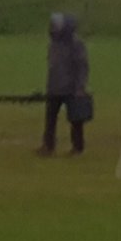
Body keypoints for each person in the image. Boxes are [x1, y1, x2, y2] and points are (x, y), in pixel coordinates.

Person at [38, 12, 90, 157]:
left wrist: (80, 87)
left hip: (71, 89)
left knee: (76, 121)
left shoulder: (76, 45)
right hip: (54, 88)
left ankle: (77, 148)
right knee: (50, 119)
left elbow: (82, 67)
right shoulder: (53, 44)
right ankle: (48, 146)